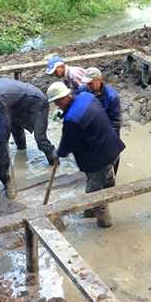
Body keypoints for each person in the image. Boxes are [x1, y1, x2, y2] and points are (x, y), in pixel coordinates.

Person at [47, 81, 125, 228]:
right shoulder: (86, 96)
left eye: (57, 101)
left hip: (99, 158)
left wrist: (57, 153)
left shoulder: (72, 120)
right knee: (107, 176)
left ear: (65, 97)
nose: (57, 105)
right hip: (112, 147)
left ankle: (104, 222)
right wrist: (64, 114)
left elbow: (66, 145)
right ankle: (96, 205)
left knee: (93, 194)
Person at [0, 78, 57, 165]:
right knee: (15, 126)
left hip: (38, 102)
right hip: (22, 102)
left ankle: (55, 162)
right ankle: (22, 150)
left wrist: (4, 140)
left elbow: (5, 121)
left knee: (40, 138)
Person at [76, 66, 122, 175]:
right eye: (87, 83)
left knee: (113, 152)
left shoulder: (112, 97)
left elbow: (115, 122)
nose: (88, 86)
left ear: (99, 80)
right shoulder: (83, 90)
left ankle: (112, 176)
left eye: (91, 83)